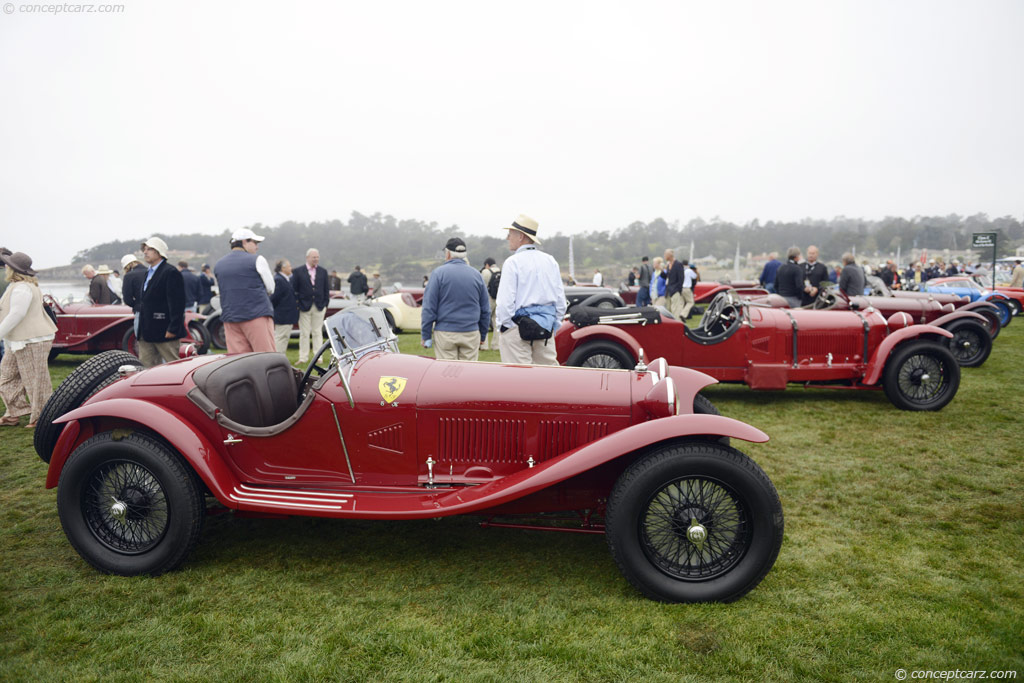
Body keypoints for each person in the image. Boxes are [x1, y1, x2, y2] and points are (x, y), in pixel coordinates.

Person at [495, 214, 566, 365]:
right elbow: (560, 300)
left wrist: (506, 326)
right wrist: (554, 324)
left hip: (516, 328)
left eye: (510, 234)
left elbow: (505, 302)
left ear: (521, 236)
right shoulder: (550, 261)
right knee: (548, 378)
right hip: (545, 326)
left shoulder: (512, 262)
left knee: (519, 381)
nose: (508, 237)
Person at [0, 250, 57, 428]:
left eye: (8, 265)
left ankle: (42, 416)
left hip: (33, 339)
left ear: (13, 269)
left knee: (36, 379)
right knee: (7, 376)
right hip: (19, 339)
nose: (5, 267)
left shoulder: (23, 288)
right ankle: (14, 411)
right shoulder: (16, 286)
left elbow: (17, 314)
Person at [420, 237, 490, 361]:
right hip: (471, 332)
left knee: (447, 375)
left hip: (445, 333)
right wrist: (483, 335)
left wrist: (426, 335)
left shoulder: (438, 274)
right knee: (468, 375)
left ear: (447, 253)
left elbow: (429, 308)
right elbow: (485, 309)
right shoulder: (477, 275)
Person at [214, 228, 276, 354]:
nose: (257, 247)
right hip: (257, 315)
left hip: (230, 318)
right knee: (266, 357)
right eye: (255, 243)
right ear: (244, 242)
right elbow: (271, 288)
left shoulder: (219, 264)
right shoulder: (257, 260)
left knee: (239, 360)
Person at [137, 237, 186, 368]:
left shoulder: (170, 272)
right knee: (147, 368)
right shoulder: (148, 273)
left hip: (165, 331)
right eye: (144, 249)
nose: (145, 252)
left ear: (159, 252)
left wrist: (173, 328)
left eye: (150, 249)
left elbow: (178, 303)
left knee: (173, 366)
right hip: (146, 330)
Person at [291, 248, 329, 364]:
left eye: (317, 257)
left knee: (317, 332)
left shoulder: (323, 271)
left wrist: (325, 304)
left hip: (319, 306)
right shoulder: (298, 272)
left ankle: (319, 357)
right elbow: (293, 289)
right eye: (314, 257)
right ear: (307, 258)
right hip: (304, 306)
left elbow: (326, 289)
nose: (316, 259)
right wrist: (298, 303)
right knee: (304, 333)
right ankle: (303, 357)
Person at [271, 259, 298, 354]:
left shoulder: (285, 279)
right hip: (282, 315)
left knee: (284, 337)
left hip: (287, 315)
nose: (291, 268)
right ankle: (277, 358)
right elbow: (274, 298)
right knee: (280, 338)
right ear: (283, 268)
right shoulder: (278, 280)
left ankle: (281, 357)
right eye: (289, 266)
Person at [120, 253, 146, 336]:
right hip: (158, 312)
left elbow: (127, 299)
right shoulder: (151, 271)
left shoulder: (129, 276)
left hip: (141, 311)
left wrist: (136, 304)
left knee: (142, 341)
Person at [479, 257, 500, 349]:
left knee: (485, 321)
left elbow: (481, 286)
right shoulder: (501, 271)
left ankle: (484, 345)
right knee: (496, 323)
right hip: (499, 299)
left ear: (487, 264)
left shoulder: (485, 272)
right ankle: (496, 345)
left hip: (488, 299)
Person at [660, 249, 686, 319]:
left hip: (675, 290)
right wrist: (662, 272)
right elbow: (668, 277)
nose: (664, 256)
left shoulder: (678, 264)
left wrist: (678, 290)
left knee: (675, 309)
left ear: (669, 255)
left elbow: (681, 278)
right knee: (668, 309)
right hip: (668, 290)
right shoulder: (669, 265)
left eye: (665, 254)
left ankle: (677, 324)